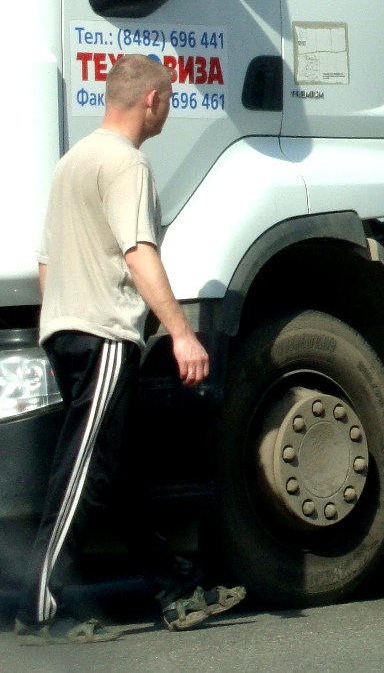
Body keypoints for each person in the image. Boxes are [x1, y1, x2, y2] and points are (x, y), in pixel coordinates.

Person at [13, 55, 246, 645]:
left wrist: (61, 318)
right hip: (104, 336)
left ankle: (174, 591)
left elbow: (47, 262)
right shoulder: (125, 164)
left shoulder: (73, 163)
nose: (167, 109)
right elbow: (139, 252)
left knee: (120, 473)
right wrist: (182, 332)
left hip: (66, 330)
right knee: (83, 475)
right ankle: (40, 608)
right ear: (153, 101)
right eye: (167, 99)